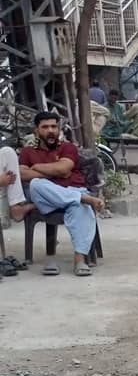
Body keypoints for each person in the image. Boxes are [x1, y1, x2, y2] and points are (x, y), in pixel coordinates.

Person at [9, 111, 104, 277]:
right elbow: (23, 175)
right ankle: (84, 199)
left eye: (54, 126)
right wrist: (55, 171)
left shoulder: (68, 147)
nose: (50, 130)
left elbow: (64, 168)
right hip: (45, 195)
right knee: (37, 184)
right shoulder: (27, 152)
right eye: (45, 127)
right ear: (36, 131)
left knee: (78, 207)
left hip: (71, 190)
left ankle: (79, 259)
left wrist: (36, 167)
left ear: (59, 129)